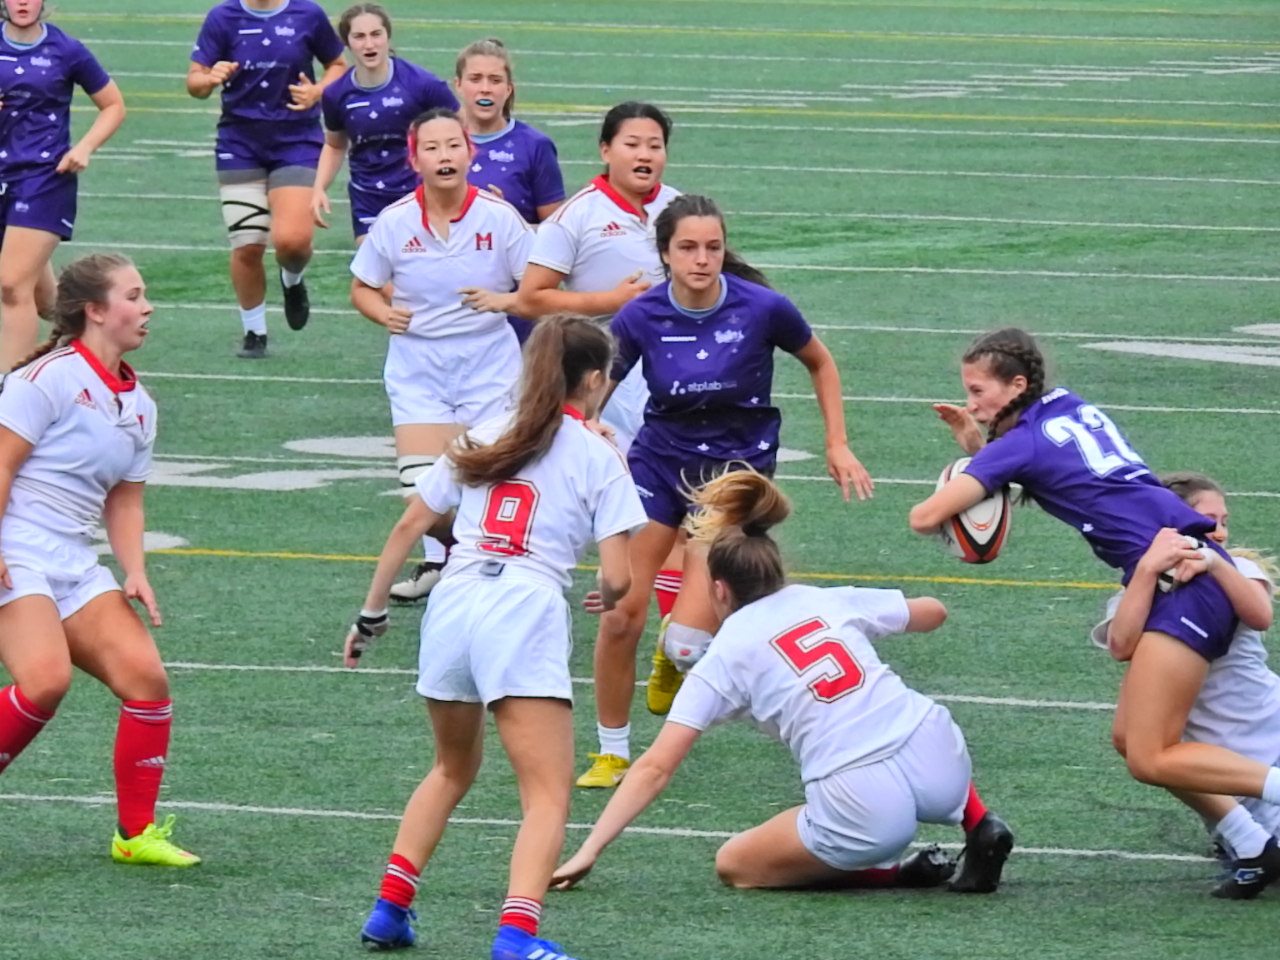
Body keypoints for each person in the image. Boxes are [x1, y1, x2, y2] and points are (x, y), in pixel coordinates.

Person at [908, 326, 1280, 894]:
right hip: (1179, 565)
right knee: (1130, 739)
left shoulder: (1021, 443)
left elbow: (926, 517)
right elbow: (1055, 468)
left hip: (1182, 579)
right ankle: (1251, 842)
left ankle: (1268, 804)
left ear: (1017, 385)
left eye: (979, 391)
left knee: (1152, 756)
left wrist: (969, 471)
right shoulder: (1067, 405)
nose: (971, 402)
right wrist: (981, 447)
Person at [342, 315, 648, 959]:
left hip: (455, 602)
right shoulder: (599, 453)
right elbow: (620, 577)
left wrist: (370, 616)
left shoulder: (483, 433)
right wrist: (611, 594)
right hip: (523, 609)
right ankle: (516, 937)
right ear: (595, 380)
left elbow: (409, 527)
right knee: (547, 795)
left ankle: (390, 909)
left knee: (449, 769)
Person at [552, 469, 1012, 896]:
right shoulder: (822, 599)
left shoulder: (725, 654)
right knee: (909, 711)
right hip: (941, 761)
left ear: (719, 589)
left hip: (863, 802)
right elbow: (934, 612)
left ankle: (897, 873)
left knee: (735, 863)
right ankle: (979, 822)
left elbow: (655, 768)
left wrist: (590, 849)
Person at [578, 193, 875, 789]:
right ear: (665, 253)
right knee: (619, 615)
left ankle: (671, 651)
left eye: (712, 247)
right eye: (688, 248)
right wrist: (587, 427)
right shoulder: (640, 316)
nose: (702, 259)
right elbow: (593, 393)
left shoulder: (763, 308)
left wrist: (837, 443)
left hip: (735, 477)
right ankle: (611, 751)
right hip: (660, 463)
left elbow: (820, 362)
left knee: (689, 646)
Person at [0, 253, 198, 867]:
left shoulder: (140, 404)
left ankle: (135, 836)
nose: (148, 307)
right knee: (45, 680)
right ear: (95, 310)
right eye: (133, 296)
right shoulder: (46, 379)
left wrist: (134, 569)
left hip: (73, 560)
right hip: (15, 546)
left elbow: (125, 499)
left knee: (147, 682)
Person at [350, 108, 533, 603]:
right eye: (431, 148)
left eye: (453, 145)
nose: (444, 156)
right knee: (419, 493)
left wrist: (504, 301)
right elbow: (362, 287)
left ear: (470, 153)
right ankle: (469, 555)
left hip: (489, 364)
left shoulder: (500, 217)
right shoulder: (394, 221)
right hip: (418, 369)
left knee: (487, 482)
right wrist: (382, 313)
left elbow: (538, 288)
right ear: (415, 160)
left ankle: (480, 569)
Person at [1092, 471, 1280, 899]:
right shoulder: (1140, 588)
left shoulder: (1238, 568)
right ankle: (1247, 840)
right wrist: (1148, 569)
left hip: (1270, 744)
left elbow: (1260, 614)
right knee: (1136, 741)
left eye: (1224, 521)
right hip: (1229, 770)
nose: (1220, 532)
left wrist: (1215, 561)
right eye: (1208, 521)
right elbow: (1121, 645)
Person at [187, 0, 346, 358]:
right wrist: (209, 79)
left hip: (296, 140)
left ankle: (292, 279)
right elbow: (194, 82)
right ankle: (254, 331)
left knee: (293, 242)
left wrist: (318, 91)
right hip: (240, 142)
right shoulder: (223, 17)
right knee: (247, 244)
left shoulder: (307, 13)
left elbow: (337, 64)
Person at [0, 0, 125, 368]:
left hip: (45, 179)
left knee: (11, 285)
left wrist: (84, 148)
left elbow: (113, 105)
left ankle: (10, 388)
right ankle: (90, 344)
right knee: (47, 304)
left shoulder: (66, 50)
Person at [312, 3, 458, 243]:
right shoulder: (336, 94)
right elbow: (335, 145)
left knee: (418, 261)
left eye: (376, 34)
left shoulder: (422, 84)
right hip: (368, 195)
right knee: (376, 262)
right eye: (359, 37)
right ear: (347, 43)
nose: (369, 44)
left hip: (420, 192)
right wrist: (319, 188)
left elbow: (461, 131)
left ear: (387, 36)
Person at [453, 36, 566, 344]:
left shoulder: (534, 146)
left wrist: (508, 221)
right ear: (458, 85)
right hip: (448, 300)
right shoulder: (437, 143)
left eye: (495, 80)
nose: (485, 88)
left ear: (508, 89)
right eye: (475, 79)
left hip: (515, 307)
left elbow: (559, 235)